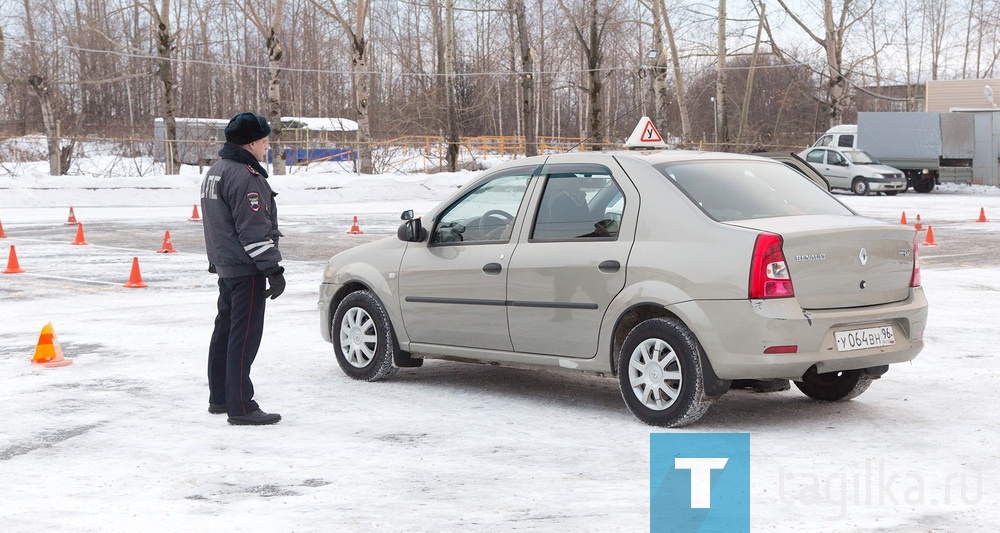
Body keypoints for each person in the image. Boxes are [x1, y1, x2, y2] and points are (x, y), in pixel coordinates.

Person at [200, 112, 285, 426]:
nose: (265, 147)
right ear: (251, 143)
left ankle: (220, 397)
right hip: (246, 268)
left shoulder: (216, 170)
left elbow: (216, 225)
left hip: (226, 265)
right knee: (243, 337)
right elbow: (252, 230)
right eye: (264, 142)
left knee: (224, 332)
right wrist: (273, 270)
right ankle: (241, 406)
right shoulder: (245, 176)